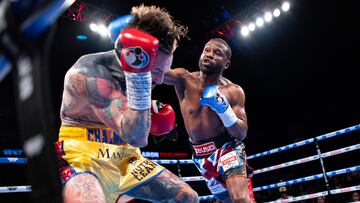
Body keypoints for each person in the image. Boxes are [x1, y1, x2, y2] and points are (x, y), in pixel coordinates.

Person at [55, 4, 199, 203]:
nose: (159, 80)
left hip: (127, 157)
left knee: (187, 197)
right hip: (84, 155)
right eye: (156, 72)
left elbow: (180, 79)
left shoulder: (145, 68)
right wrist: (138, 79)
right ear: (135, 58)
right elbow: (137, 137)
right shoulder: (90, 75)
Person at [163, 38, 254, 202]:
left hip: (227, 148)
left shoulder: (233, 91)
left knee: (240, 199)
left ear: (226, 64)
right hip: (200, 156)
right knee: (228, 200)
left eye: (217, 53)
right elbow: (156, 73)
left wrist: (223, 109)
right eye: (207, 50)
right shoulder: (184, 79)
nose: (210, 54)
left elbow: (241, 133)